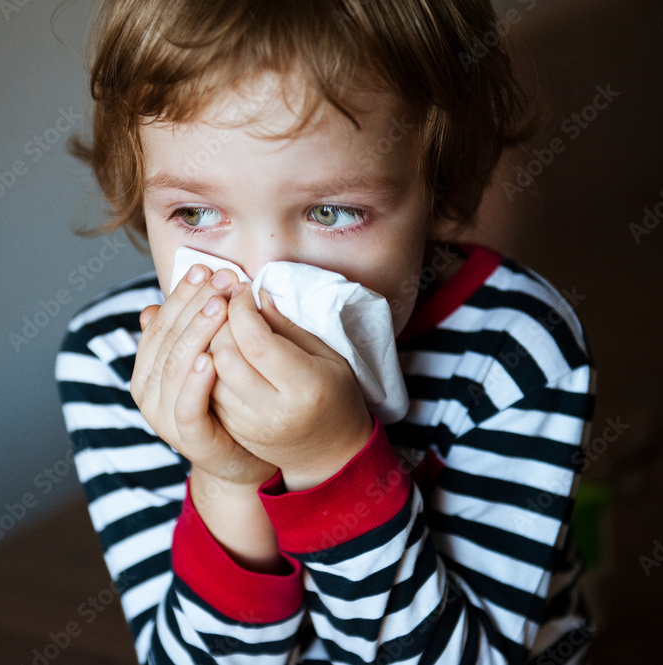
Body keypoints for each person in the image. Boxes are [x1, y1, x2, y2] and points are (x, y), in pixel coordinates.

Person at [56, 0, 596, 663]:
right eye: (196, 212)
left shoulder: (516, 353)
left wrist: (331, 462)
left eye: (331, 211)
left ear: (440, 188)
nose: (264, 278)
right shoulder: (115, 361)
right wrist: (228, 482)